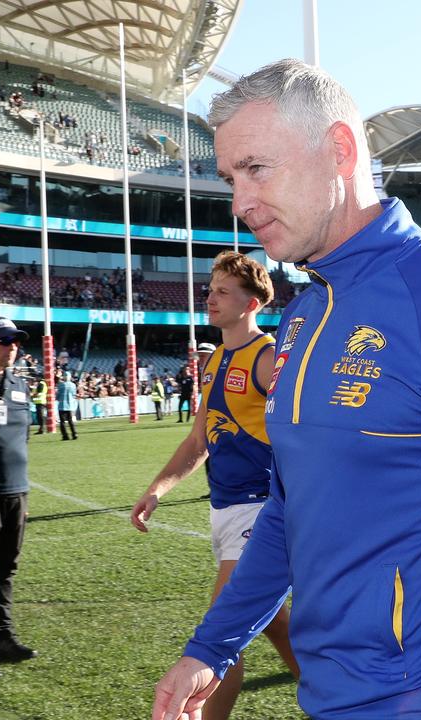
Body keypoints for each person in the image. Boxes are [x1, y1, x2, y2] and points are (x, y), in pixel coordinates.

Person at [150, 59, 421, 720]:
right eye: (231, 178)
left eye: (258, 169)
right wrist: (210, 648)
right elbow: (292, 511)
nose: (240, 203)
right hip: (332, 697)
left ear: (340, 150)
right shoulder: (300, 317)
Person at [133, 252, 298, 720]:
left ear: (251, 303)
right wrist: (158, 489)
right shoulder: (216, 360)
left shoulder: (267, 358)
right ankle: (340, 702)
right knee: (274, 624)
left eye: (223, 291)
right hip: (224, 510)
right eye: (211, 289)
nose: (211, 298)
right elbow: (198, 439)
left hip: (260, 509)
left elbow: (298, 432)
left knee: (222, 630)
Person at [0, 317, 37, 681]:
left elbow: (23, 438)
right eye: (4, 340)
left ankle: (3, 638)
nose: (12, 346)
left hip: (16, 491)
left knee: (7, 568)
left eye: (16, 340)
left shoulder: (20, 385)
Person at [56, 371, 77, 441]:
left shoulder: (61, 385)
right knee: (70, 420)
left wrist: (57, 398)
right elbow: (74, 395)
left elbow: (58, 395)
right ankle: (74, 434)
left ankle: (65, 436)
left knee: (62, 421)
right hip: (70, 405)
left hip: (62, 405)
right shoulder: (73, 385)